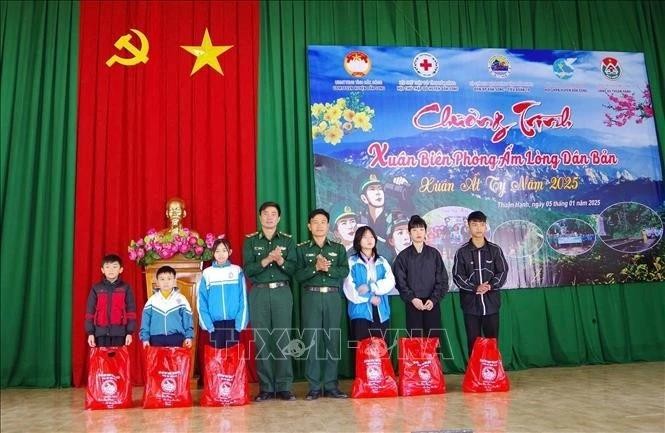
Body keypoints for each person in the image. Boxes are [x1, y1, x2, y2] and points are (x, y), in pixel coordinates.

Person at [243, 201, 297, 402]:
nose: (269, 217)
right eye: (265, 213)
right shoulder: (250, 241)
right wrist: (266, 260)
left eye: (273, 213)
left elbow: (293, 270)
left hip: (282, 293)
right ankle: (266, 387)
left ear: (279, 218)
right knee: (262, 340)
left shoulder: (287, 241)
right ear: (260, 217)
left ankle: (284, 386)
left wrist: (281, 260)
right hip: (259, 293)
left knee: (283, 339)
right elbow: (248, 270)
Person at [296, 209, 350, 400]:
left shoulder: (338, 248)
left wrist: (328, 269)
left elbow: (344, 271)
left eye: (323, 222)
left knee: (332, 340)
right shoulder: (301, 249)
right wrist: (314, 268)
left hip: (333, 298)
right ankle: (314, 387)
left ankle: (331, 385)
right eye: (315, 222)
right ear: (309, 226)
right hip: (311, 297)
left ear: (328, 225)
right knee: (312, 341)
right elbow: (298, 275)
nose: (319, 225)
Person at [452, 211, 508, 356]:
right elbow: (458, 276)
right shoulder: (461, 252)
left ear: (486, 227)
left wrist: (490, 286)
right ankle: (474, 376)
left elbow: (502, 272)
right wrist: (475, 288)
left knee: (492, 342)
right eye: (474, 224)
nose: (478, 228)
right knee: (473, 342)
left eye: (482, 224)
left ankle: (493, 375)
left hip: (492, 305)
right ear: (468, 227)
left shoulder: (495, 250)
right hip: (470, 305)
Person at [394, 215, 448, 338]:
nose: (418, 233)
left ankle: (433, 358)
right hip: (413, 303)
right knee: (414, 340)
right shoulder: (403, 256)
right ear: (409, 233)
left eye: (421, 229)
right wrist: (412, 298)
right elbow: (400, 281)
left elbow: (442, 279)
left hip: (432, 304)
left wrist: (434, 299)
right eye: (414, 230)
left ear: (425, 232)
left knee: (433, 340)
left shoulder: (434, 254)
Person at [343, 226, 395, 342]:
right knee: (362, 351)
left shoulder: (382, 261)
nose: (369, 240)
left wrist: (371, 287)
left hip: (381, 311)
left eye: (371, 237)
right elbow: (349, 289)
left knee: (381, 351)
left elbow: (390, 281)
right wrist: (369, 298)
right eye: (365, 237)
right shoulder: (352, 262)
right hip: (360, 313)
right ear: (358, 240)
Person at [198, 238, 248, 348]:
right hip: (214, 325)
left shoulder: (237, 271)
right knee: (217, 360)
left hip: (233, 323)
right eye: (217, 251)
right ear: (213, 253)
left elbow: (243, 297)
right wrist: (208, 324)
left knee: (232, 358)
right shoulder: (207, 273)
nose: (221, 254)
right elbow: (201, 300)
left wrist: (240, 323)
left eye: (224, 250)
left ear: (230, 252)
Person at [85, 254, 137, 348]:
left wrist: (129, 332)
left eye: (114, 266)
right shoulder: (96, 288)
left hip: (120, 333)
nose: (111, 270)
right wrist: (90, 333)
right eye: (107, 267)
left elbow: (131, 311)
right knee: (102, 362)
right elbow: (90, 312)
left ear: (121, 269)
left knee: (118, 362)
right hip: (100, 333)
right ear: (102, 270)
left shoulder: (126, 288)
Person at [140, 265, 194, 348]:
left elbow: (187, 319)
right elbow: (145, 321)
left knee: (174, 361)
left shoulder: (181, 299)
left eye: (169, 278)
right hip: (156, 339)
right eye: (162, 279)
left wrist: (188, 336)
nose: (166, 282)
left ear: (174, 281)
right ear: (157, 282)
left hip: (176, 338)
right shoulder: (152, 301)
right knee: (158, 361)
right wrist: (145, 339)